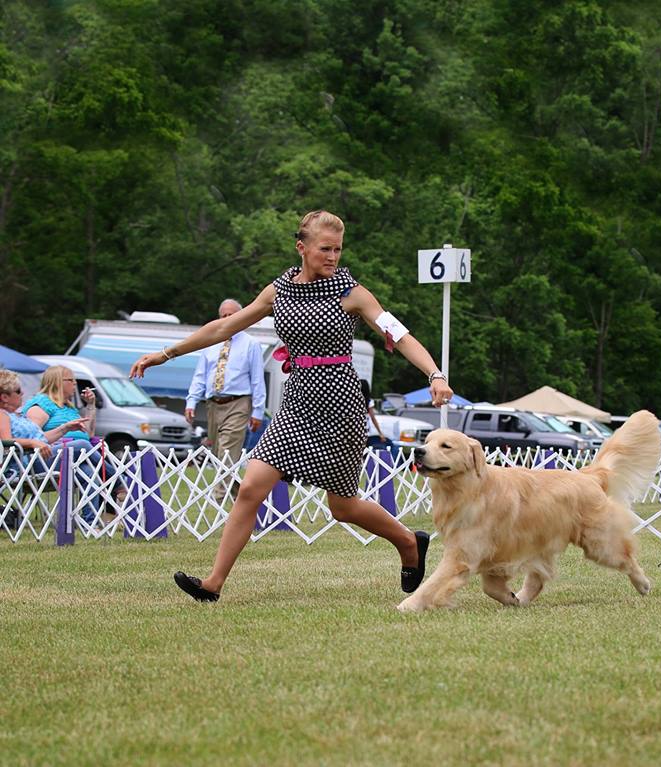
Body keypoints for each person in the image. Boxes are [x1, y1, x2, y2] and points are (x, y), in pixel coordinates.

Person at [130, 209, 455, 603]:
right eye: (324, 249)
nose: (333, 257)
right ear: (301, 247)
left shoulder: (352, 293)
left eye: (338, 249)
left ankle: (407, 541)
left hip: (341, 406)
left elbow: (399, 335)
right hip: (297, 402)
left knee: (343, 507)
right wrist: (165, 353)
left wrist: (434, 373)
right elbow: (222, 328)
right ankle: (213, 584)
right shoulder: (278, 291)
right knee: (250, 488)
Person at [1, 369, 119, 525]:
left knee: (88, 472)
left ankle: (89, 523)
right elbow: (6, 442)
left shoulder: (18, 415)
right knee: (82, 445)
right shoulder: (2, 415)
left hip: (40, 458)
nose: (23, 393)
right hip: (26, 464)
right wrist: (31, 443)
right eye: (17, 391)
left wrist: (66, 428)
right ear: (4, 397)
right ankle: (120, 481)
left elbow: (42, 439)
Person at [184, 298, 267, 500]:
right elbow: (200, 376)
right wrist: (191, 401)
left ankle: (219, 496)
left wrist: (257, 410)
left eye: (232, 315)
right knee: (218, 449)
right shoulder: (210, 342)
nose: (228, 319)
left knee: (229, 448)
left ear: (240, 316)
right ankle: (238, 488)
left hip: (239, 402)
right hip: (213, 403)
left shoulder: (251, 344)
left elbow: (257, 379)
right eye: (224, 316)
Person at [360, 378, 389, 448]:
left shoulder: (354, 400)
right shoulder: (369, 402)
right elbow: (373, 418)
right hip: (365, 429)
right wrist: (380, 433)